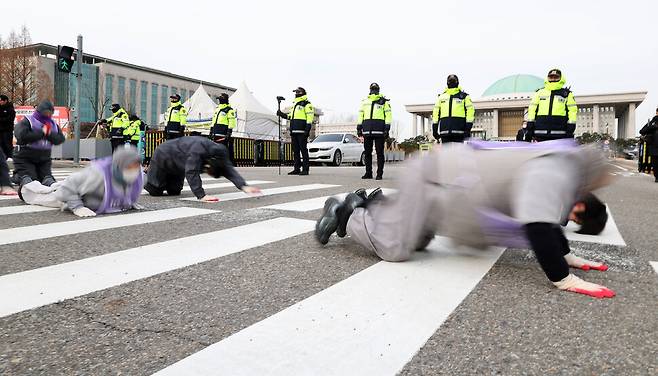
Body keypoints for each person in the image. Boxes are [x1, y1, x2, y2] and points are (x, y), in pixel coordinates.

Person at [315, 140, 616, 299]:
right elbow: (538, 224)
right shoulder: (556, 171)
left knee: (419, 240)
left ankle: (375, 205)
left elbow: (545, 221)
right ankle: (348, 211)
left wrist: (566, 254)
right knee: (395, 247)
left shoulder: (562, 165)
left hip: (448, 187)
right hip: (436, 180)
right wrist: (564, 278)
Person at [18, 146, 144, 217]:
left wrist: (128, 201)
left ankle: (48, 181)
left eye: (136, 166)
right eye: (130, 167)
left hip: (82, 189)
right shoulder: (97, 176)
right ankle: (25, 183)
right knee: (41, 197)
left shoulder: (140, 177)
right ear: (119, 166)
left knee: (56, 186)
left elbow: (126, 189)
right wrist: (77, 207)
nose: (134, 171)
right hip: (73, 193)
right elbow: (68, 188)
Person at [144, 136, 260, 202]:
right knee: (155, 190)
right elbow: (191, 171)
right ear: (209, 164)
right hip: (163, 156)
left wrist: (244, 186)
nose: (207, 173)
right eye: (207, 171)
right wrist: (201, 195)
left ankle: (160, 178)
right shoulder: (198, 150)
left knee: (174, 191)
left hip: (179, 164)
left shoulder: (221, 153)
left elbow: (228, 169)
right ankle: (143, 174)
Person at [13, 100, 65, 187]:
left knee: (47, 179)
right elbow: (21, 136)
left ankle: (52, 188)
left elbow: (59, 139)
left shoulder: (53, 124)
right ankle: (19, 177)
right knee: (30, 180)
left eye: (50, 113)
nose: (48, 115)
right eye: (45, 112)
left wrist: (49, 134)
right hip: (25, 156)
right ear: (40, 111)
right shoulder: (28, 120)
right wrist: (42, 133)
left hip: (44, 158)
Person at [526, 69, 578, 141]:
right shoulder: (539, 92)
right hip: (540, 132)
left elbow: (572, 111)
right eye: (551, 77)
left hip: (560, 133)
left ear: (561, 78)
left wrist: (571, 127)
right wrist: (530, 126)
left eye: (556, 77)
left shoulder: (566, 94)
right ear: (547, 78)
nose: (553, 79)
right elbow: (532, 109)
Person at [357, 83, 391, 180]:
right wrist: (359, 127)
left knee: (379, 153)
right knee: (367, 152)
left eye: (375, 89)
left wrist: (387, 128)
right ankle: (368, 173)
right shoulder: (364, 101)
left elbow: (388, 115)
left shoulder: (384, 102)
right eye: (373, 89)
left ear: (378, 90)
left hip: (380, 131)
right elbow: (361, 114)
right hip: (367, 130)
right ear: (370, 90)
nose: (374, 91)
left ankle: (379, 174)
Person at [277, 87, 314, 175]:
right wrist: (281, 114)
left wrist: (307, 130)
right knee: (296, 150)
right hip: (293, 131)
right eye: (295, 92)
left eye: (298, 92)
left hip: (302, 131)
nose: (296, 93)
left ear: (302, 93)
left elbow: (310, 118)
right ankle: (296, 168)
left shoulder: (307, 104)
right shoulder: (295, 105)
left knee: (303, 150)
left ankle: (305, 169)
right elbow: (290, 117)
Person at [432, 74, 475, 144]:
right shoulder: (441, 97)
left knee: (458, 154)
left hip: (459, 133)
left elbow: (470, 113)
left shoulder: (464, 97)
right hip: (447, 133)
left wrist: (467, 129)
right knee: (449, 154)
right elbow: (435, 114)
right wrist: (434, 130)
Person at [210, 93, 237, 163]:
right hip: (215, 132)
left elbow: (232, 121)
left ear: (225, 99)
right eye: (219, 99)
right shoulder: (217, 109)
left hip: (223, 132)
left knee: (223, 148)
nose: (219, 100)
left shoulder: (229, 110)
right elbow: (214, 119)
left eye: (221, 99)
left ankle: (226, 162)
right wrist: (211, 129)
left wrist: (229, 131)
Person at [639, 107, 658, 182]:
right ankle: (657, 177)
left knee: (655, 163)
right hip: (654, 148)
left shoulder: (651, 123)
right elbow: (641, 131)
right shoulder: (652, 122)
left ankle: (657, 177)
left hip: (653, 148)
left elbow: (642, 131)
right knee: (655, 163)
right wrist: (653, 127)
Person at [0, 94, 16, 159]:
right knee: (1, 145)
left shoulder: (10, 109)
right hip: (0, 130)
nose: (0, 102)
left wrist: (1, 119)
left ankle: (10, 157)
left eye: (1, 100)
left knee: (7, 144)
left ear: (5, 101)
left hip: (7, 130)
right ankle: (2, 158)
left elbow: (9, 119)